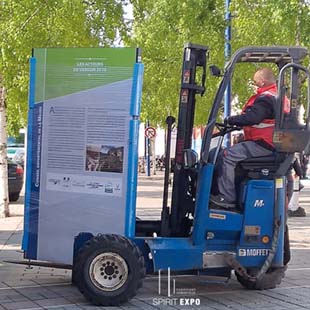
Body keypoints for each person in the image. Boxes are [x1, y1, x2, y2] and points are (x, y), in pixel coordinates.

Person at [211, 67, 289, 208]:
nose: (253, 85)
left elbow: (254, 117)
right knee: (225, 154)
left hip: (264, 143)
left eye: (254, 82)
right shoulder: (277, 96)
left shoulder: (266, 98)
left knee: (227, 155)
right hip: (271, 143)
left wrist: (230, 120)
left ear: (262, 81)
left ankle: (226, 198)